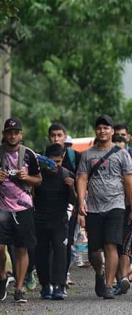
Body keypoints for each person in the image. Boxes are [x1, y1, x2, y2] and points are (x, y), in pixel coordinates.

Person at [76, 115, 132, 299]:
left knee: (111, 244)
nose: (102, 131)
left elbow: (129, 183)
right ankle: (99, 273)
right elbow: (82, 178)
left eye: (106, 128)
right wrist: (81, 201)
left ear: (112, 131)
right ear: (96, 131)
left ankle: (109, 285)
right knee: (94, 250)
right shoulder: (87, 155)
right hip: (93, 207)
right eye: (99, 128)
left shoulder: (122, 154)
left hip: (116, 206)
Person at [0, 118, 42, 303]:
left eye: (16, 132)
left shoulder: (29, 154)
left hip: (23, 207)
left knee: (21, 248)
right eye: (9, 132)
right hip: (2, 208)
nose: (12, 135)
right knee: (0, 248)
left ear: (21, 135)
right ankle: (2, 277)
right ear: (4, 134)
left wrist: (27, 177)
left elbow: (39, 180)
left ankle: (19, 288)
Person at [34, 144, 75, 300]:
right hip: (40, 220)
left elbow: (74, 201)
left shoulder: (66, 174)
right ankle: (45, 286)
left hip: (60, 220)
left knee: (60, 252)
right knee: (41, 253)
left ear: (62, 158)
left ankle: (59, 285)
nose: (55, 165)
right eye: (52, 161)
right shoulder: (38, 176)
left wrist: (71, 188)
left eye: (58, 161)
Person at [111, 135, 132, 295]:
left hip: (128, 210)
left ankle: (122, 278)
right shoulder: (105, 166)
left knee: (126, 245)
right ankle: (117, 278)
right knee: (112, 246)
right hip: (109, 210)